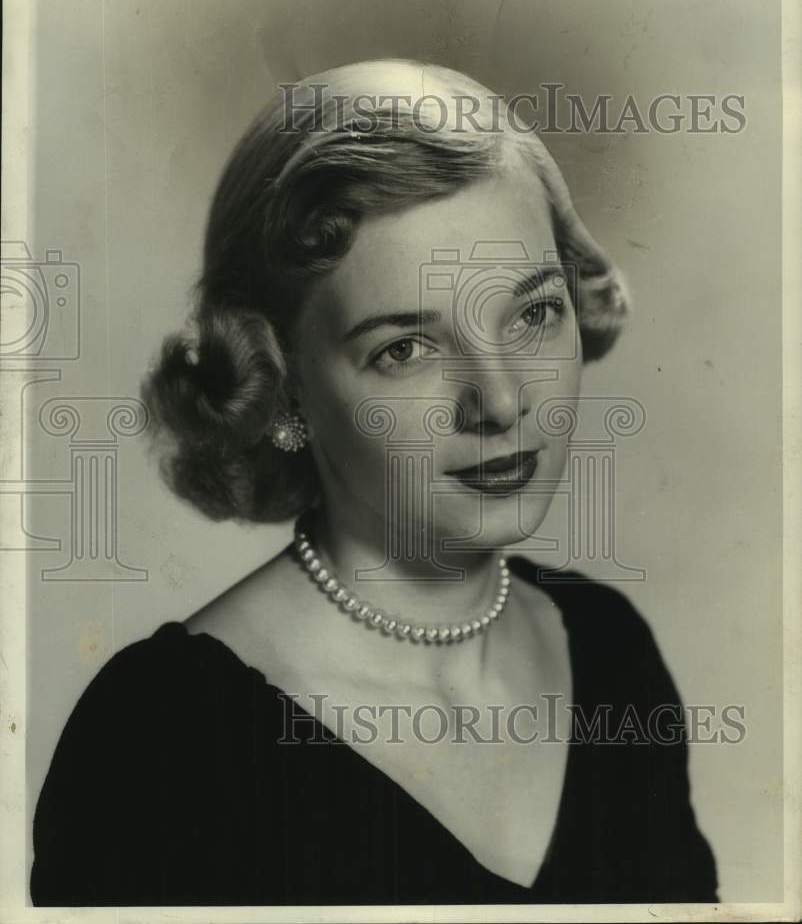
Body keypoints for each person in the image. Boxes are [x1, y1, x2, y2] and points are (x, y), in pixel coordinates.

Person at [30, 60, 718, 906]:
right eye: (404, 349)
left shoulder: (611, 651)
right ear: (282, 390)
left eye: (534, 313)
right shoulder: (164, 741)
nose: (499, 400)